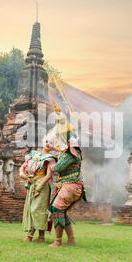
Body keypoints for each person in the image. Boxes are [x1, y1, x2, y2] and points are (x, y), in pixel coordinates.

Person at [47, 104, 86, 247]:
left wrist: (51, 164)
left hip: (71, 186)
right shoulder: (68, 151)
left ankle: (57, 241)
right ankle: (71, 239)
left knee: (57, 208)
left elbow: (58, 167)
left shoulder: (71, 152)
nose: (58, 138)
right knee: (61, 211)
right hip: (70, 186)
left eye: (61, 136)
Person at [20, 140, 56, 242]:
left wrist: (38, 188)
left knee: (37, 210)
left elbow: (49, 175)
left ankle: (29, 236)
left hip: (42, 185)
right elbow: (22, 167)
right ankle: (41, 237)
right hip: (31, 184)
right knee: (32, 209)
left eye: (51, 143)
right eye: (46, 141)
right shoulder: (33, 154)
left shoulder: (51, 159)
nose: (48, 144)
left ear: (53, 147)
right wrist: (22, 175)